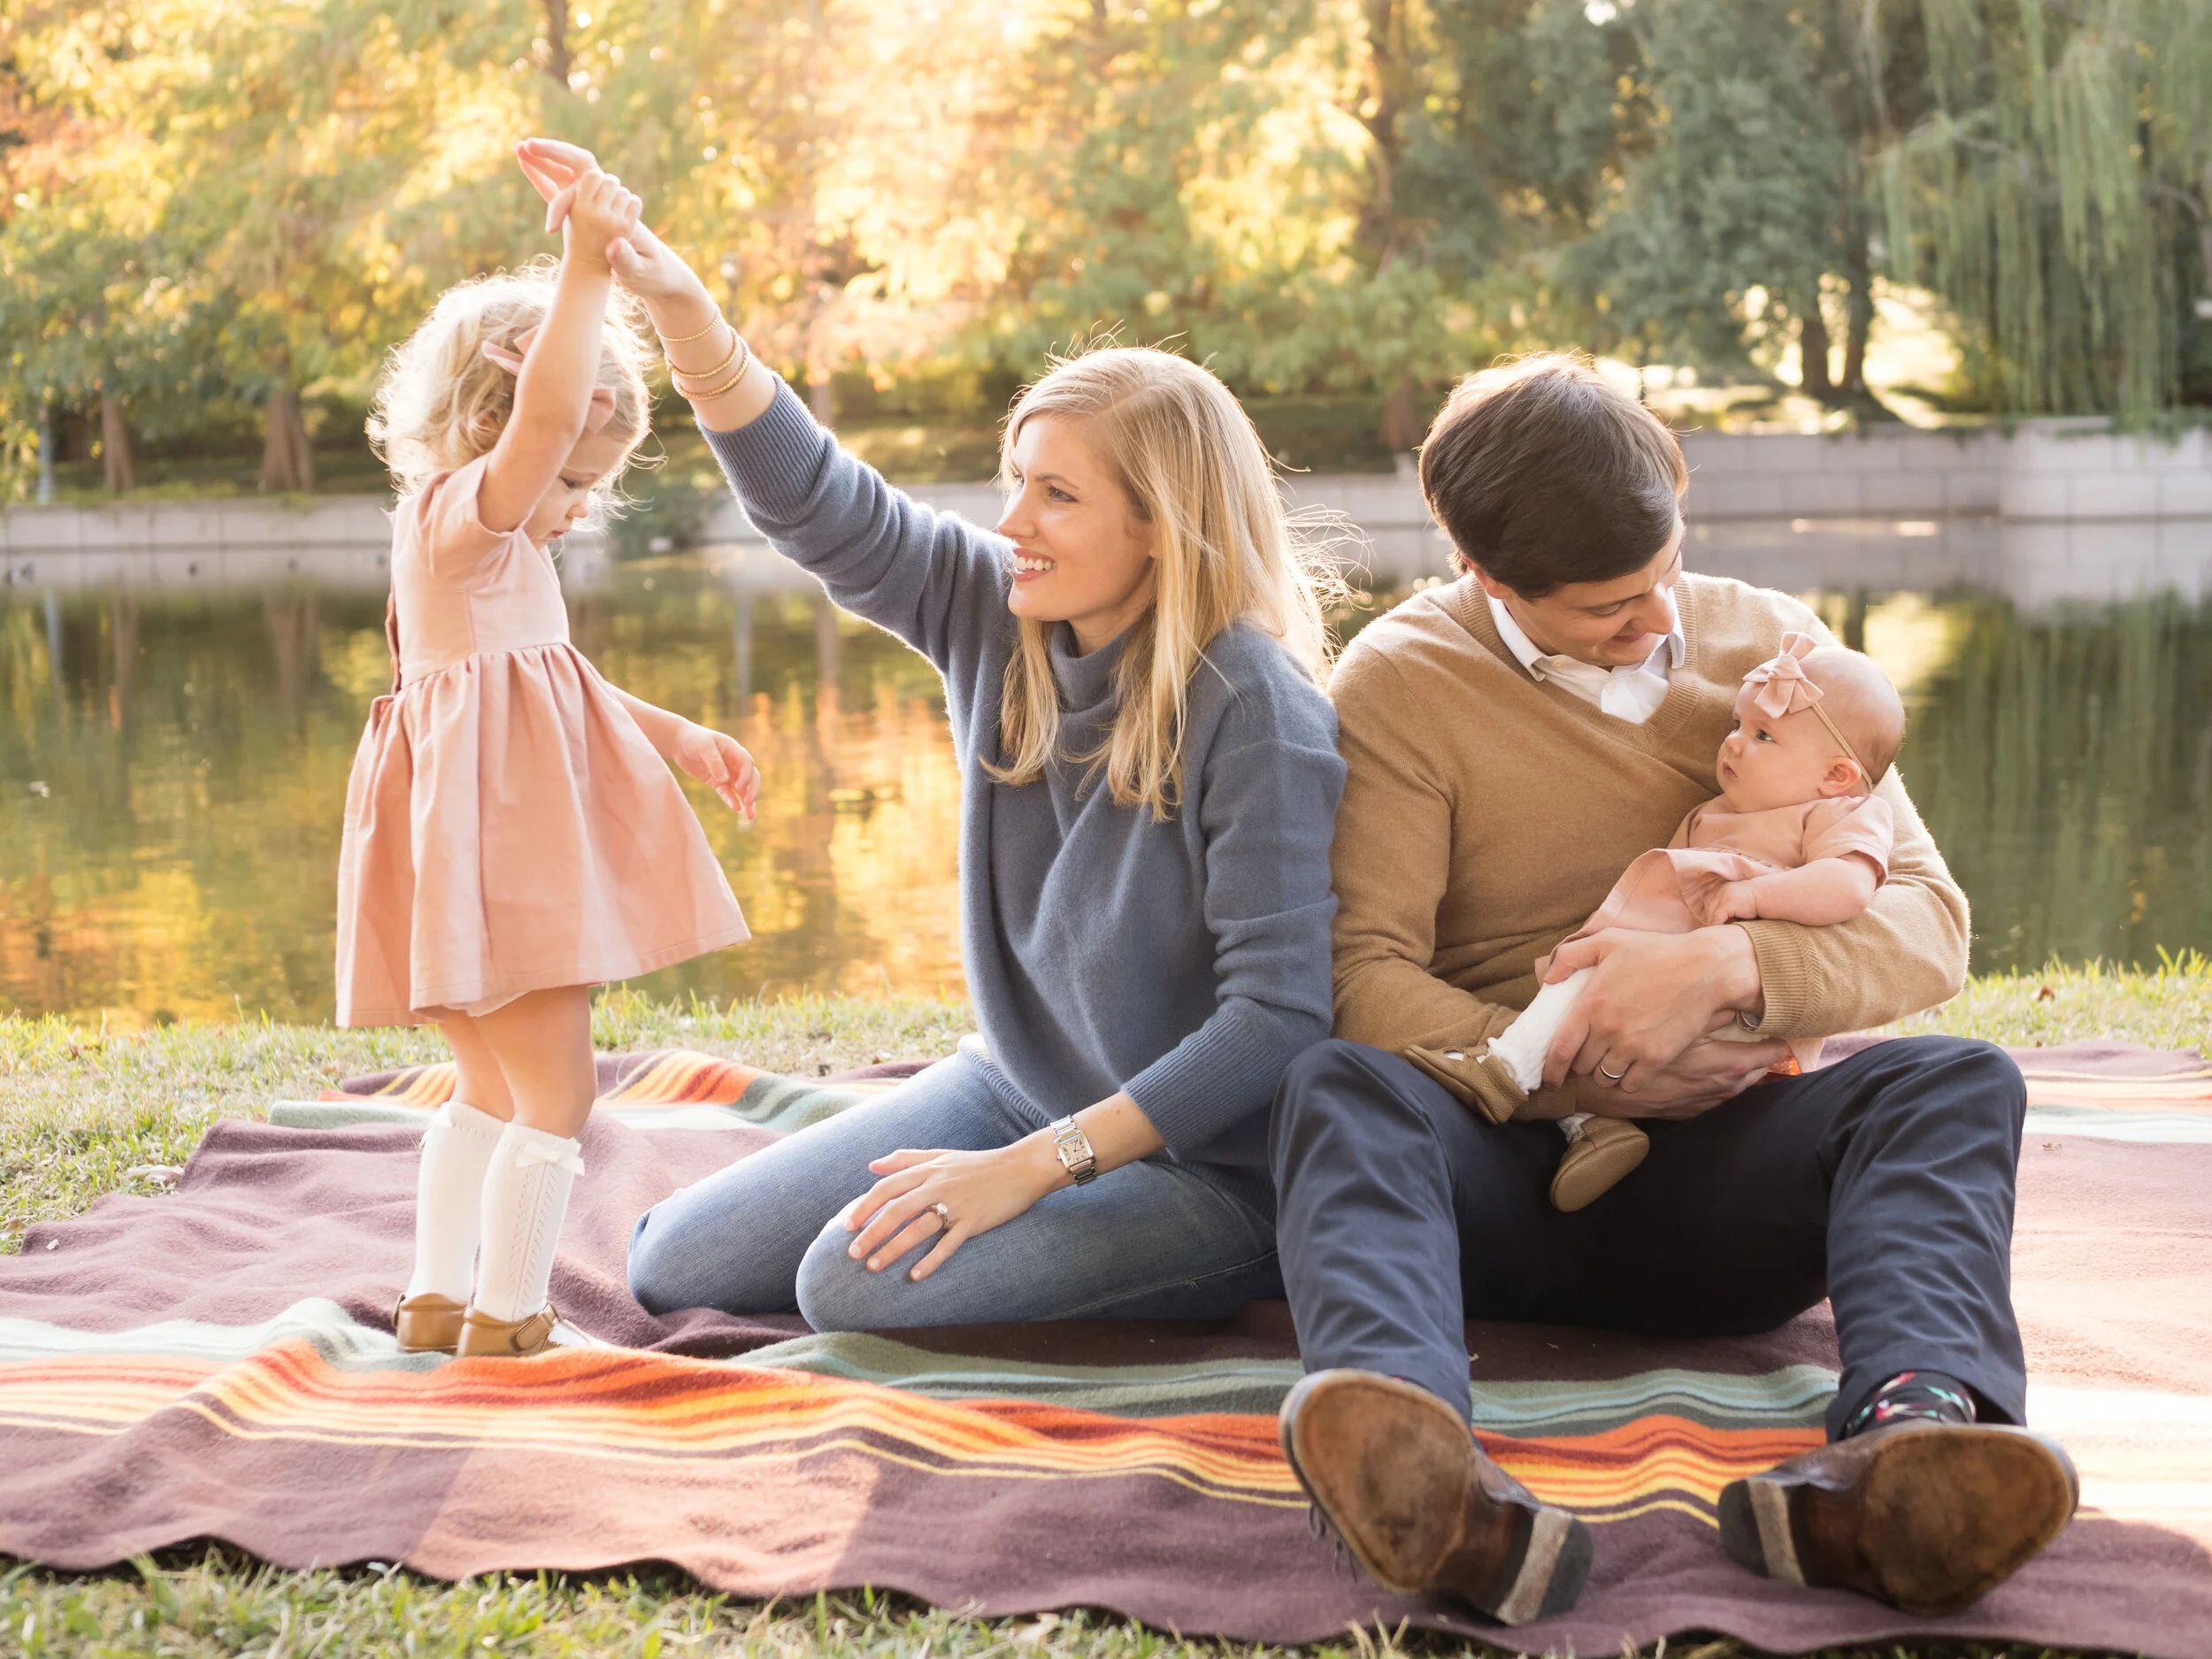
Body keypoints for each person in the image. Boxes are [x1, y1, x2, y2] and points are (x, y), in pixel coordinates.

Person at [1270, 355, 2077, 1626]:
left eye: (1663, 574)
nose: (1658, 619)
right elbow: (1363, 975)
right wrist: (1577, 1060)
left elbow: (1930, 924)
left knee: (1956, 1078)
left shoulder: (1785, 656)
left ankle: (1908, 1454)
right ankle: (1422, 1473)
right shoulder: (1402, 681)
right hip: (1498, 1167)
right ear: (1489, 578)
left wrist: (1726, 967)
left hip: (1718, 1183)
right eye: (1609, 606)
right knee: (1337, 1087)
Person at [512, 138, 1345, 1329]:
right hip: (1011, 1088)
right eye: (1016, 479)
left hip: (1206, 1163)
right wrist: (676, 301)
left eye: (1058, 493)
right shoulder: (996, 607)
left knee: (846, 1282)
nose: (1014, 521)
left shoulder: (1254, 707)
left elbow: (1277, 1021)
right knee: (677, 1262)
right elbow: (816, 498)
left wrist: (1036, 1168)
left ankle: (1177, 1261)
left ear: (1163, 526)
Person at [341, 169, 759, 1361]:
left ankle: (435, 1296)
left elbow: (554, 677)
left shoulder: (461, 549)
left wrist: (676, 734)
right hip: (504, 865)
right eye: (575, 478)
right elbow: (545, 417)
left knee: (482, 1090)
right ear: (498, 424)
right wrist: (585, 267)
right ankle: (512, 1312)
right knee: (559, 1099)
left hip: (460, 865)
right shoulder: (474, 514)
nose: (575, 506)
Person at [1413, 632, 1908, 1211]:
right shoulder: (1720, 812)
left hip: (1736, 1019)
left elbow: (1849, 886)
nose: (1734, 745)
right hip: (1662, 987)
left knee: (1584, 975)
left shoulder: (1840, 813)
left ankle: (1505, 1067)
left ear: (1837, 776)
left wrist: (1754, 899)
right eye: (1738, 726)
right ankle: (1595, 1128)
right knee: (1582, 977)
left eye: (1764, 736)